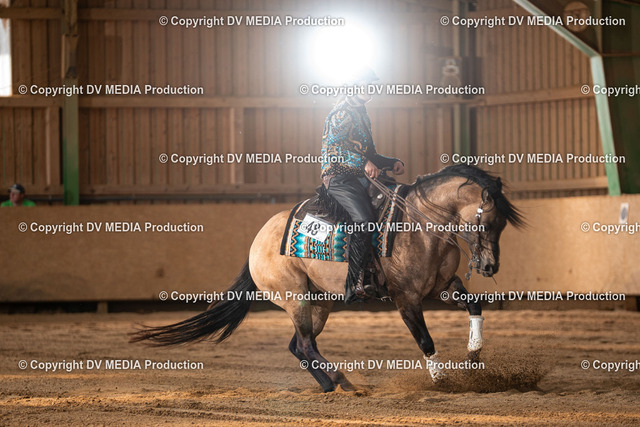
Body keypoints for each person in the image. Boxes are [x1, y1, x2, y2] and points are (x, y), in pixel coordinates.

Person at [320, 68, 405, 304]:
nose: (371, 88)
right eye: (367, 84)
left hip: (359, 177)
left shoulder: (362, 114)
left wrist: (391, 162)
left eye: (372, 84)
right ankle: (353, 283)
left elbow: (370, 154)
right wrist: (363, 163)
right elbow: (333, 152)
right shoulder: (341, 113)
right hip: (338, 178)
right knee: (365, 220)